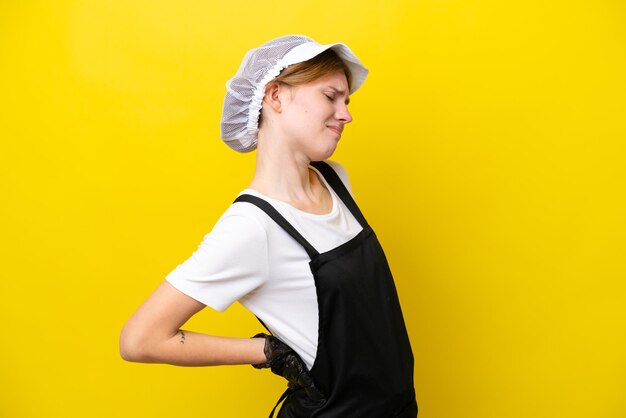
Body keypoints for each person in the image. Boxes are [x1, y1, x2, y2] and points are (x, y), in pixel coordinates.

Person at [120, 34, 418, 417]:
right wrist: (266, 351)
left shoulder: (335, 180)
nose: (346, 114)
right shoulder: (252, 227)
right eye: (331, 96)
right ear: (275, 96)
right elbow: (140, 339)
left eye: (347, 101)